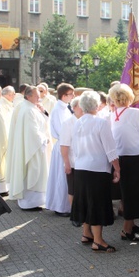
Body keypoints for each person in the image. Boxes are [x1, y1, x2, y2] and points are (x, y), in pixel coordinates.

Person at [71, 90, 120, 252]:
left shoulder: (77, 123)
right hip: (97, 169)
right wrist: (117, 169)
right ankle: (98, 240)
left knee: (85, 201)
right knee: (96, 203)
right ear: (97, 105)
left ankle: (86, 233)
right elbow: (110, 149)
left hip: (81, 168)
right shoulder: (101, 123)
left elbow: (75, 148)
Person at [108, 83, 139, 242]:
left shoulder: (113, 114)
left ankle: (131, 224)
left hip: (122, 157)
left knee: (127, 192)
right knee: (133, 193)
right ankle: (127, 229)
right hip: (137, 157)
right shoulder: (135, 113)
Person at [7, 85, 51, 210]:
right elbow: (32, 132)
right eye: (36, 95)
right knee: (32, 173)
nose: (39, 97)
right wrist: (43, 139)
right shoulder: (28, 110)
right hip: (32, 148)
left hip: (34, 147)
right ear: (28, 96)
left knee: (36, 173)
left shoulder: (31, 108)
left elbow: (42, 122)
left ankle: (34, 202)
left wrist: (43, 112)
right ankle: (29, 203)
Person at [45, 83, 75, 216]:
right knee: (61, 177)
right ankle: (60, 207)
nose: (73, 96)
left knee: (64, 177)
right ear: (64, 95)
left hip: (67, 144)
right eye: (71, 94)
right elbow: (60, 129)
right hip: (63, 145)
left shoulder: (65, 108)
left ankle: (65, 206)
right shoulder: (58, 109)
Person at [59, 96, 83, 226]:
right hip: (73, 162)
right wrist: (66, 163)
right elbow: (64, 145)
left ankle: (82, 213)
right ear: (74, 108)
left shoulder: (85, 121)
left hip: (84, 162)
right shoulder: (68, 123)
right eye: (80, 106)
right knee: (73, 190)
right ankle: (75, 215)